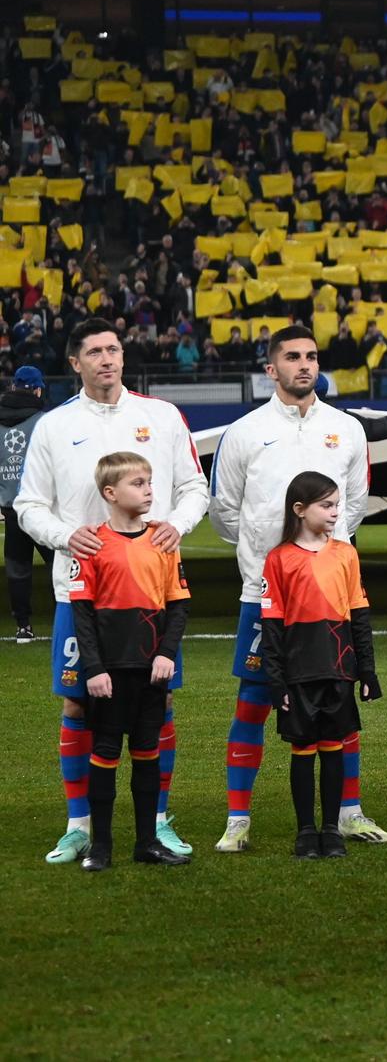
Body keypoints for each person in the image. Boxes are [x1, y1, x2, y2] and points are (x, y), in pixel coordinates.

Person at [17, 317, 209, 864]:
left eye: (114, 349)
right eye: (95, 352)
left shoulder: (162, 416)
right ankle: (80, 824)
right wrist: (63, 535)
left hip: (150, 593)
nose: (107, 359)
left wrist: (181, 523)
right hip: (81, 594)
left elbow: (195, 485)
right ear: (75, 363)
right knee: (78, 705)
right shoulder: (53, 426)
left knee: (159, 699)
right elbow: (29, 505)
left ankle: (158, 821)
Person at [208, 325, 386, 853]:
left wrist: (322, 560)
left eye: (310, 356)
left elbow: (353, 505)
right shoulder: (242, 433)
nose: (304, 365)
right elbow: (224, 514)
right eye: (292, 357)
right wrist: (274, 562)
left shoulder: (347, 429)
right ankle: (238, 820)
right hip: (266, 595)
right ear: (272, 369)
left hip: (330, 599)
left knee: (339, 703)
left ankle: (347, 814)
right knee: (254, 702)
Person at [69, 453, 191, 871]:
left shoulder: (163, 541)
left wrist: (165, 653)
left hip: (151, 670)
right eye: (138, 483)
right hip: (109, 672)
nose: (149, 489)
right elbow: (82, 616)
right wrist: (94, 668)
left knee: (146, 752)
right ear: (110, 493)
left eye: (149, 482)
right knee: (104, 751)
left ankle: (146, 843)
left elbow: (177, 608)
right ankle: (100, 846)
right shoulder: (92, 545)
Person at [257, 471, 380, 860]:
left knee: (333, 749)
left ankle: (331, 829)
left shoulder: (346, 554)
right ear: (299, 509)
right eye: (326, 505)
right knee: (302, 750)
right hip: (299, 672)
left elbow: (359, 617)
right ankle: (305, 831)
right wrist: (277, 683)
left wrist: (367, 671)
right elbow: (272, 628)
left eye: (337, 505)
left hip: (339, 669)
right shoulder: (278, 560)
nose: (334, 512)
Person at [0, 365, 53, 642]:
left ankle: (23, 627)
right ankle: (71, 622)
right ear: (37, 389)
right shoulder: (45, 421)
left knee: (18, 569)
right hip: (43, 507)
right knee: (60, 564)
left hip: (11, 509)